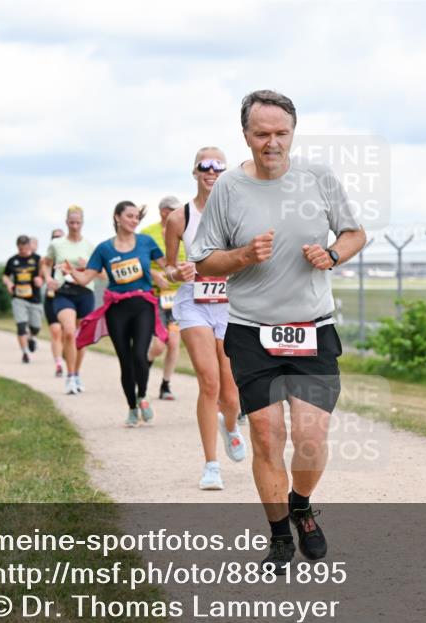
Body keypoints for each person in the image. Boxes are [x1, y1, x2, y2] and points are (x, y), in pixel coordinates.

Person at [192, 90, 366, 572]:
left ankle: (302, 506)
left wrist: (332, 255)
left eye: (281, 133)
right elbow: (205, 260)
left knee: (310, 438)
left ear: (293, 132)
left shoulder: (319, 177)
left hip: (312, 327)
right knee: (268, 438)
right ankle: (279, 538)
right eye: (261, 133)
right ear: (245, 135)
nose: (272, 143)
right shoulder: (228, 188)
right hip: (251, 329)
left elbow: (354, 233)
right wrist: (243, 255)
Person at [164, 147, 249, 491]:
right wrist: (177, 273)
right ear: (195, 171)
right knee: (208, 381)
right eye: (205, 166)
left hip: (229, 304)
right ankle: (211, 465)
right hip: (193, 303)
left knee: (230, 390)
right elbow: (168, 268)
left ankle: (230, 426)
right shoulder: (178, 218)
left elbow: (247, 257)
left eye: (218, 167)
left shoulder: (237, 212)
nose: (211, 172)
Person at [64, 201, 167, 426]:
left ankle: (143, 396)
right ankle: (131, 407)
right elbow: (84, 279)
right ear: (117, 217)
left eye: (136, 217)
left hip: (143, 305)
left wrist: (175, 272)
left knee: (140, 355)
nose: (134, 220)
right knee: (125, 361)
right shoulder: (104, 249)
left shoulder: (146, 242)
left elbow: (168, 267)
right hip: (117, 310)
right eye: (129, 216)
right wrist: (71, 271)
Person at [43, 206, 95, 394]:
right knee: (69, 332)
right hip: (63, 292)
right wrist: (48, 278)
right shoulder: (57, 244)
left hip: (85, 293)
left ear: (82, 223)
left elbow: (101, 273)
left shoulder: (90, 245)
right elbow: (46, 263)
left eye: (78, 222)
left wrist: (87, 266)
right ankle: (70, 376)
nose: (74, 226)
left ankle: (77, 374)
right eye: (71, 222)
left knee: (81, 338)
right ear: (66, 223)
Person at [140, 195, 184, 401]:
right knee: (159, 344)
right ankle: (143, 369)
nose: (178, 213)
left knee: (174, 342)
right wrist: (155, 275)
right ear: (164, 211)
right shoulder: (148, 234)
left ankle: (165, 385)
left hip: (178, 296)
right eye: (174, 209)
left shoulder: (184, 230)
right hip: (154, 296)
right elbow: (137, 260)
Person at [3, 235, 43, 364]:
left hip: (34, 298)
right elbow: (5, 276)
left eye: (25, 248)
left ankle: (31, 337)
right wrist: (9, 283)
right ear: (17, 247)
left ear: (29, 246)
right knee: (21, 326)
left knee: (36, 327)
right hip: (18, 298)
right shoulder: (13, 260)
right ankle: (25, 353)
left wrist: (40, 279)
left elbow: (45, 273)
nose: (23, 251)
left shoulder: (38, 259)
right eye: (20, 249)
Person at [42, 228, 66, 377]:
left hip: (67, 298)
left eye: (60, 237)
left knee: (67, 332)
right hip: (51, 298)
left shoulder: (69, 258)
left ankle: (64, 351)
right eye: (54, 237)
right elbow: (39, 274)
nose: (57, 240)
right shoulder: (45, 259)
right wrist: (41, 279)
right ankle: (58, 363)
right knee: (56, 331)